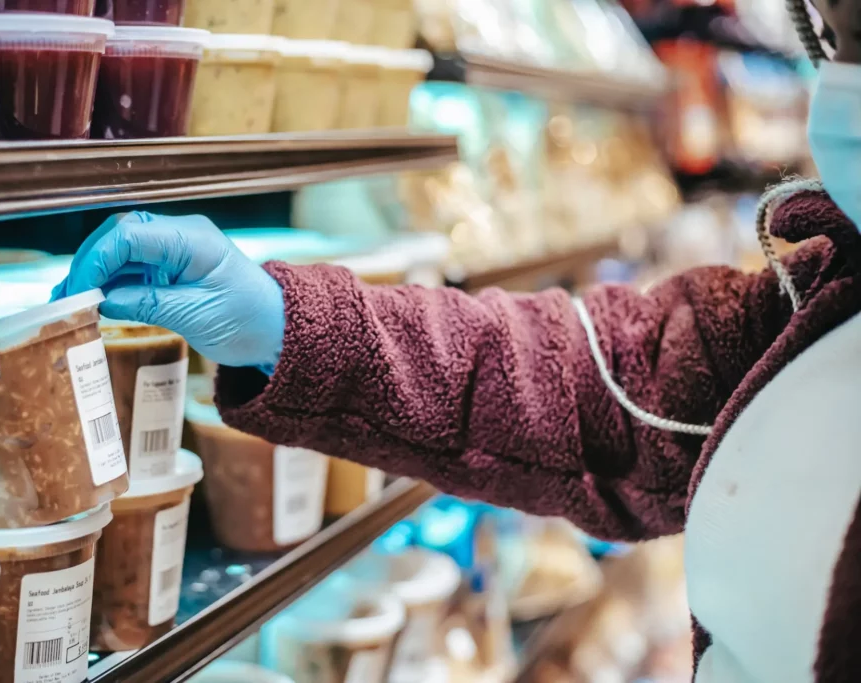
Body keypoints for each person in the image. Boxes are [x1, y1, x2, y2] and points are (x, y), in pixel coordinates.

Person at [53, 3, 861, 681]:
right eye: (832, 39)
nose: (839, 79)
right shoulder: (821, 295)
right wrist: (287, 324)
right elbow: (602, 382)